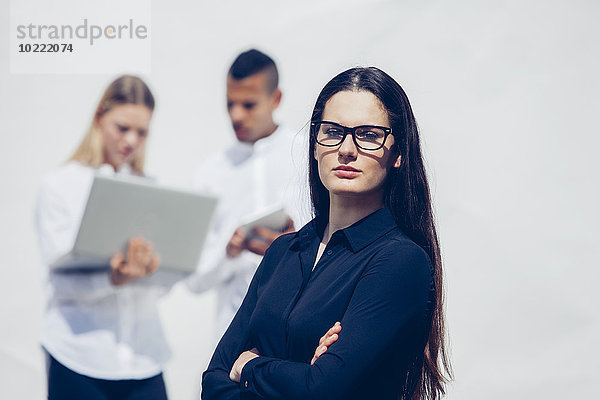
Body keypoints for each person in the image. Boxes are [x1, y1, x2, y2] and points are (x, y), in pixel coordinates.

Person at [201, 67, 452, 399]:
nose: (347, 149)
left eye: (369, 134)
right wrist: (299, 374)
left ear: (399, 153)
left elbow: (320, 389)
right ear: (316, 146)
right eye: (333, 132)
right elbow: (213, 381)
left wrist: (248, 366)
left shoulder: (400, 262)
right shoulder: (283, 252)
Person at [35, 75, 171, 399]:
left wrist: (154, 269)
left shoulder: (153, 189)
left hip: (144, 358)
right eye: (122, 128)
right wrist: (111, 279)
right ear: (99, 117)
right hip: (79, 358)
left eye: (141, 132)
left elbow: (163, 287)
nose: (131, 140)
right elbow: (57, 282)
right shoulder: (61, 186)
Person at [186, 49, 306, 340]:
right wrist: (229, 253)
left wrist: (293, 247)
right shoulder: (211, 172)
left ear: (276, 99)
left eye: (248, 104)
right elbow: (194, 280)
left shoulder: (308, 156)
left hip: (301, 338)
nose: (236, 115)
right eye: (230, 103)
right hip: (232, 339)